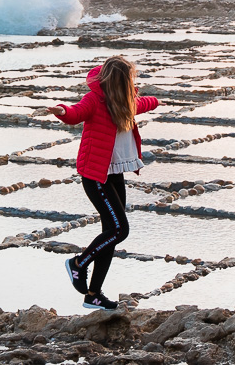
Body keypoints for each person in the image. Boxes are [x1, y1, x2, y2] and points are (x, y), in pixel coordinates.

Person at [48, 55, 158, 311]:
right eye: (129, 80)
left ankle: (93, 295)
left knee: (110, 234)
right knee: (120, 230)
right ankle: (78, 264)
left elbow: (142, 104)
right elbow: (76, 114)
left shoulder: (125, 101)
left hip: (114, 174)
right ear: (116, 81)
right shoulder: (95, 100)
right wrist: (62, 111)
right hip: (96, 176)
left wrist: (155, 101)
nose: (132, 85)